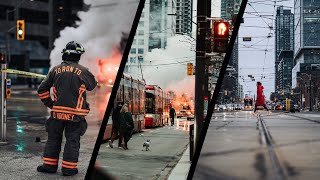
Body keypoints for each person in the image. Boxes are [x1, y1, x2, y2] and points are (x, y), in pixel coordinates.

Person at [36, 41, 97, 176]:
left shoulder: (55, 70)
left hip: (57, 113)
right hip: (75, 115)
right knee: (72, 140)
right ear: (78, 56)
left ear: (64, 54)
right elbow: (92, 85)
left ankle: (49, 166)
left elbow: (42, 89)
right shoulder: (83, 71)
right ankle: (69, 169)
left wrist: (50, 104)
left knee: (53, 139)